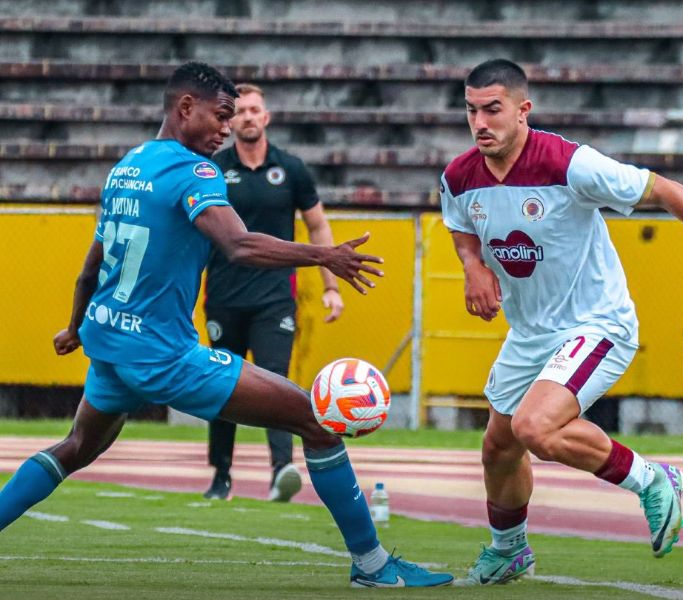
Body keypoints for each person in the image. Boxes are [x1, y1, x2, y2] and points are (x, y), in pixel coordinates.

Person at [0, 62, 453, 589]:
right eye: (219, 116)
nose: (225, 129)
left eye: (232, 118)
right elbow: (238, 244)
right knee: (317, 419)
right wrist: (322, 255)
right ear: (184, 107)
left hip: (111, 342)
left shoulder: (129, 165)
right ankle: (373, 567)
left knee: (76, 446)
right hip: (162, 354)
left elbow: (90, 266)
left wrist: (75, 326)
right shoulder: (195, 171)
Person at [439, 58, 683, 586]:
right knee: (498, 447)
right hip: (530, 331)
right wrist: (472, 269)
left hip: (595, 323)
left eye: (493, 109)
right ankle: (509, 550)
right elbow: (460, 224)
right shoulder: (459, 175)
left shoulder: (569, 163)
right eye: (472, 111)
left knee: (535, 427)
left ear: (523, 110)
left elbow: (666, 190)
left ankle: (653, 479)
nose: (480, 123)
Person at [202, 83, 343, 503]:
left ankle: (282, 469)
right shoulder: (212, 168)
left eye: (254, 110)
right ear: (231, 121)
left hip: (275, 297)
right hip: (224, 295)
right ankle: (220, 475)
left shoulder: (292, 169)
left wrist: (331, 284)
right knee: (219, 385)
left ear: (266, 118)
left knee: (276, 382)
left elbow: (317, 226)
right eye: (239, 110)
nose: (247, 116)